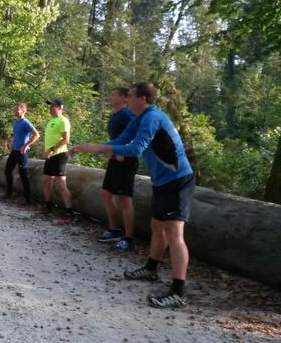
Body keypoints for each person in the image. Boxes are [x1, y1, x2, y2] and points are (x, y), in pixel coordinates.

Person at [69, 82, 194, 309]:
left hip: (178, 180)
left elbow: (136, 149)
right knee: (157, 226)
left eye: (132, 97)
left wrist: (100, 148)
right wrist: (93, 146)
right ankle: (150, 270)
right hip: (162, 181)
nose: (128, 100)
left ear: (143, 99)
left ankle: (178, 291)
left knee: (174, 233)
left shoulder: (152, 117)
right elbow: (121, 140)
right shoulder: (139, 118)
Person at [96, 87, 139, 251]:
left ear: (124, 98)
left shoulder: (127, 114)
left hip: (126, 161)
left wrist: (125, 150)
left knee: (124, 199)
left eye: (113, 95)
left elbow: (136, 133)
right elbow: (118, 138)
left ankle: (128, 239)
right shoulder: (116, 115)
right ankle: (114, 230)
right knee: (106, 194)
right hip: (115, 159)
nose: (110, 97)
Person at [42, 98, 77, 224]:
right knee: (46, 181)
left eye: (53, 106)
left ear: (60, 107)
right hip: (50, 156)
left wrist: (51, 149)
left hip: (59, 154)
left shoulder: (63, 120)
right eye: (50, 105)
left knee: (61, 184)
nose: (50, 108)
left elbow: (66, 139)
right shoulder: (51, 120)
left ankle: (70, 212)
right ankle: (47, 206)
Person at [3, 102, 39, 204]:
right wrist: (12, 144)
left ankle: (27, 199)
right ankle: (9, 192)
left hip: (22, 152)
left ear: (23, 111)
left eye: (17, 109)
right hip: (14, 151)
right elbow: (16, 135)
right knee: (7, 171)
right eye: (15, 109)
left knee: (23, 174)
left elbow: (36, 135)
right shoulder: (15, 122)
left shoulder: (26, 123)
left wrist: (26, 145)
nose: (15, 111)